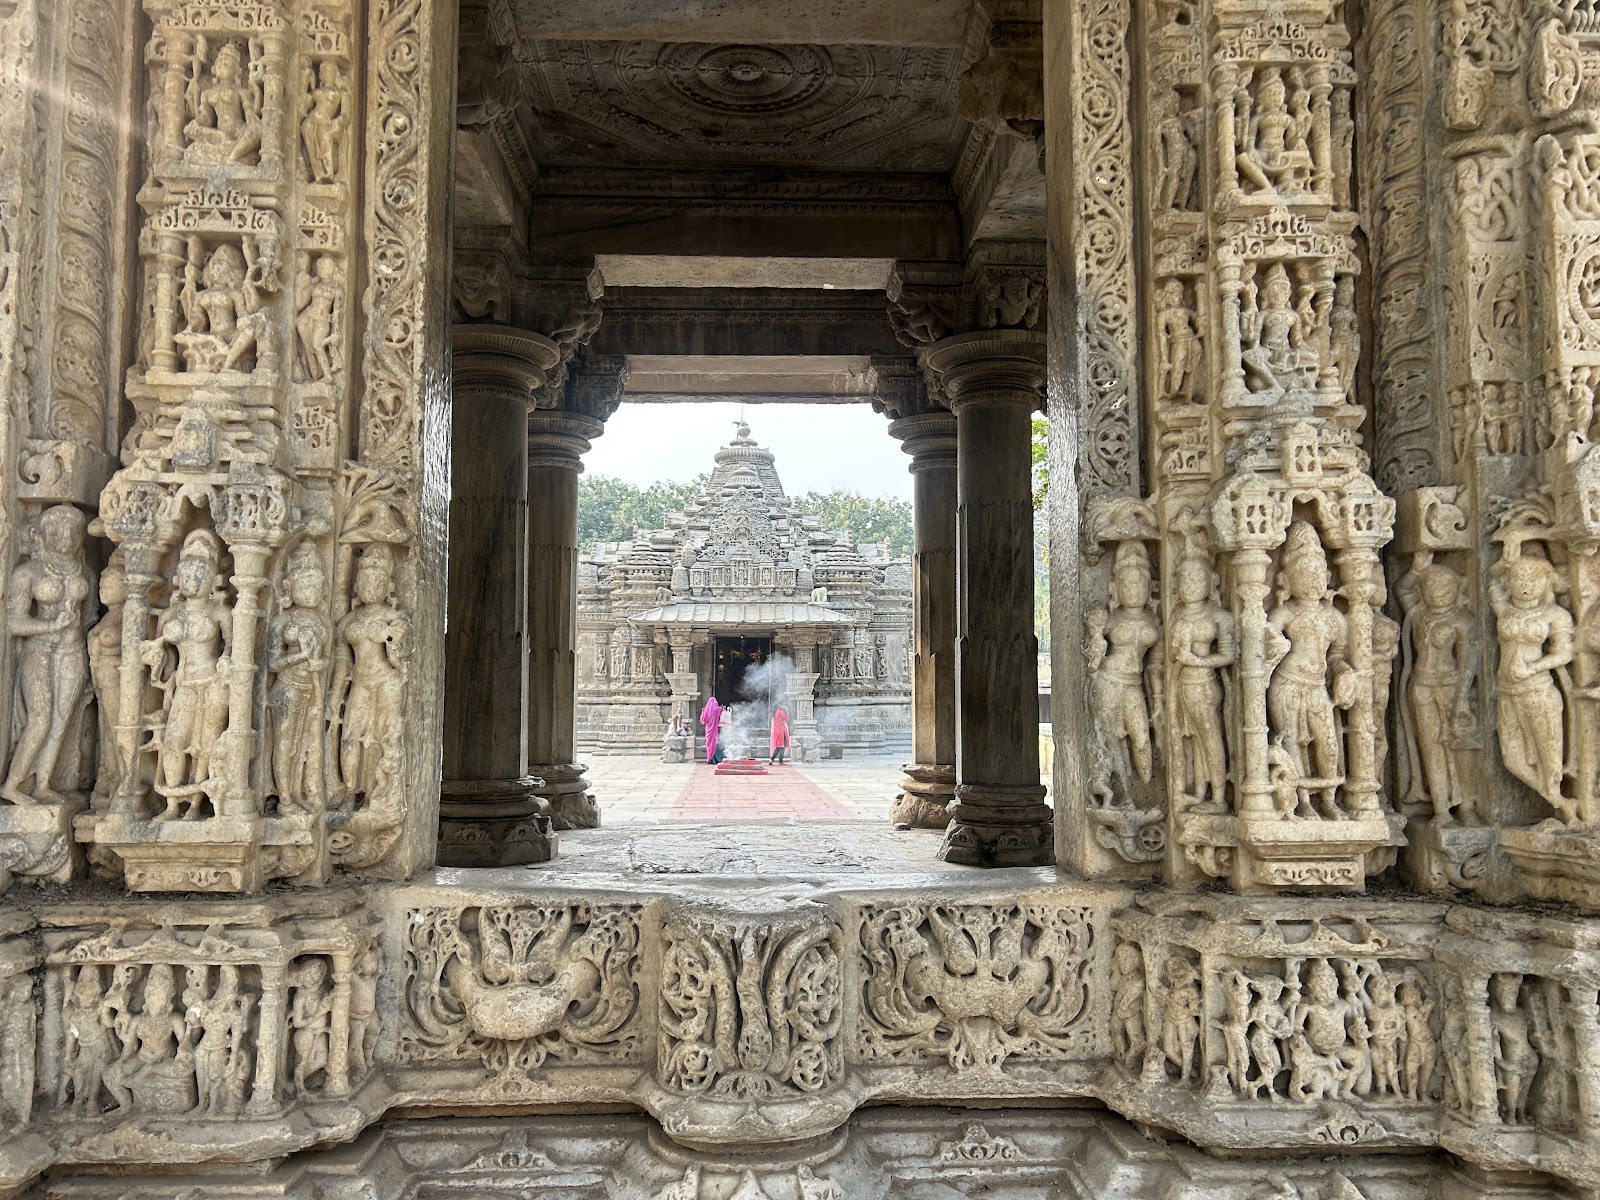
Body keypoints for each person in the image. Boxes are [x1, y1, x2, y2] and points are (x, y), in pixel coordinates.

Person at [699, 694, 724, 765]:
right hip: (716, 730)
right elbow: (723, 715)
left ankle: (710, 759)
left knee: (710, 745)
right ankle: (718, 759)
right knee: (717, 744)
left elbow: (702, 721)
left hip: (708, 730)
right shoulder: (718, 709)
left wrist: (703, 711)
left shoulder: (706, 710)